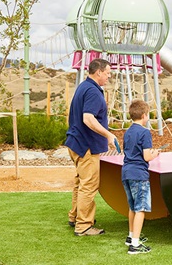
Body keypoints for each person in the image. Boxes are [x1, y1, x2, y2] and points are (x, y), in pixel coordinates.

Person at [65, 58, 118, 236]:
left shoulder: (83, 86)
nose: (108, 77)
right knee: (89, 185)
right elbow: (88, 118)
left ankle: (74, 217)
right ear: (99, 72)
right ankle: (84, 226)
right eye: (108, 73)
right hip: (86, 146)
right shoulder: (94, 92)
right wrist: (108, 134)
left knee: (80, 183)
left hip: (75, 143)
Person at [121, 99, 160, 254]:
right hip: (139, 174)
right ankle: (135, 245)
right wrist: (155, 153)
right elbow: (146, 157)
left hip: (126, 173)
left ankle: (131, 237)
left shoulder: (128, 132)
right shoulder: (145, 132)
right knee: (141, 209)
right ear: (144, 115)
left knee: (132, 207)